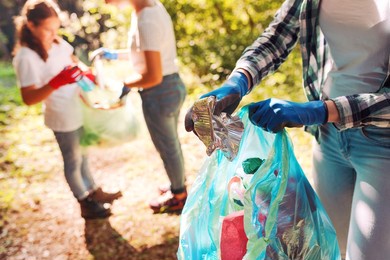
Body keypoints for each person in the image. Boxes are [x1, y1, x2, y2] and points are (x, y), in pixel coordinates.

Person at [186, 0, 390, 259]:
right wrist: (239, 80)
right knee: (330, 248)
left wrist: (320, 110)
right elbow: (277, 36)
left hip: (383, 146)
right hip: (328, 138)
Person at [13, 0, 122, 219]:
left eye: (56, 28)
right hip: (61, 116)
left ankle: (93, 190)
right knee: (72, 161)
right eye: (47, 29)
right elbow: (28, 98)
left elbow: (75, 63)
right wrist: (55, 82)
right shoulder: (26, 57)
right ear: (31, 25)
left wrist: (88, 74)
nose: (53, 34)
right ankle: (84, 201)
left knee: (83, 156)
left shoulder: (58, 43)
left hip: (79, 107)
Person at [99, 0, 187, 213]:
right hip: (171, 86)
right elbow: (147, 52)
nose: (105, 2)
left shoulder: (146, 18)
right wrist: (115, 54)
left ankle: (178, 195)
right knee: (171, 144)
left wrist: (124, 84)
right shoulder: (149, 8)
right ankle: (178, 184)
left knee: (168, 147)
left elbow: (152, 75)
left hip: (159, 92)